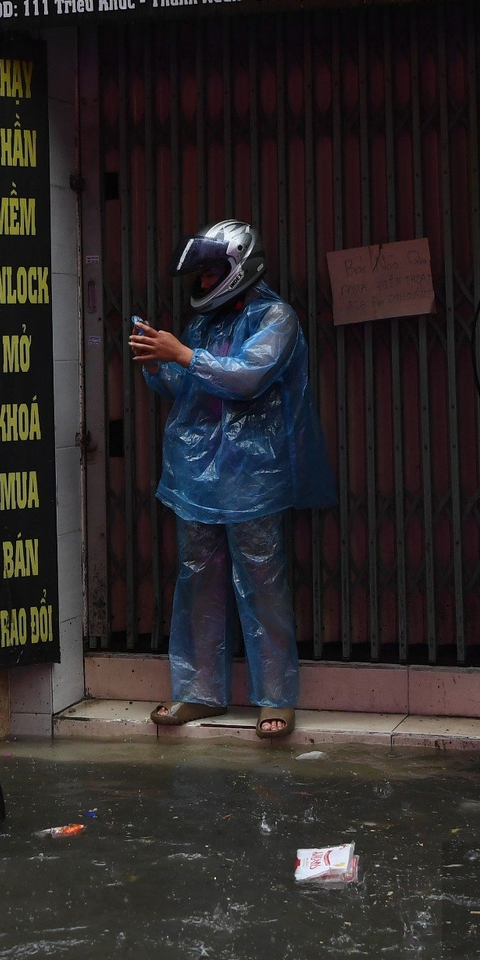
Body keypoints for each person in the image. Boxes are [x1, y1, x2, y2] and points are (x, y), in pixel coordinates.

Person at [128, 220, 336, 741]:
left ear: (240, 266)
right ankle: (198, 691)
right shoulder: (205, 326)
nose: (202, 284)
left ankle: (276, 696)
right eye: (198, 275)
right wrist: (159, 360)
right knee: (197, 581)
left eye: (211, 273)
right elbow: (186, 387)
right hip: (197, 478)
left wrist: (182, 355)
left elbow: (247, 375)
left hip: (252, 476)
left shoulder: (276, 317)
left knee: (264, 582)